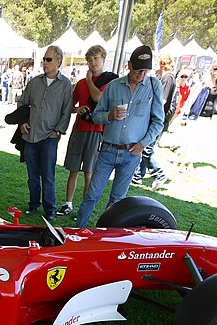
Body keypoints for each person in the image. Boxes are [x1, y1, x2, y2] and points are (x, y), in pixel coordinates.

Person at [75, 45, 165, 228]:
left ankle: (109, 238)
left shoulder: (154, 86)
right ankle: (78, 232)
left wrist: (143, 144)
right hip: (108, 149)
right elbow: (96, 115)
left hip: (131, 153)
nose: (141, 74)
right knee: (92, 195)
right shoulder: (114, 86)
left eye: (145, 70)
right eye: (138, 69)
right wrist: (109, 115)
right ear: (129, 65)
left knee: (117, 200)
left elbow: (158, 122)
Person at [57, 45, 117, 218]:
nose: (92, 63)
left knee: (89, 172)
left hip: (96, 131)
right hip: (79, 129)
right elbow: (70, 106)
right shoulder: (81, 84)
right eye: (89, 60)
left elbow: (98, 97)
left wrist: (89, 79)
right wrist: (78, 109)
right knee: (73, 170)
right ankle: (68, 203)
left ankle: (84, 207)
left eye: (95, 59)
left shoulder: (109, 81)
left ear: (103, 58)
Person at [18, 45, 73, 221]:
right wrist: (22, 122)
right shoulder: (34, 82)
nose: (44, 63)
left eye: (48, 59)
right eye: (44, 59)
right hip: (31, 135)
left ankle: (50, 208)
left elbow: (67, 111)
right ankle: (34, 204)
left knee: (48, 175)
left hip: (50, 137)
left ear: (58, 62)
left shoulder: (65, 85)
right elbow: (22, 103)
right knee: (32, 174)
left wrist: (57, 131)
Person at [133, 53, 175, 189]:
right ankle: (138, 176)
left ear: (162, 64)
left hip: (155, 121)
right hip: (156, 120)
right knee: (145, 148)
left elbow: (161, 101)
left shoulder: (167, 78)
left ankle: (159, 174)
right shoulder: (167, 77)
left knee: (146, 149)